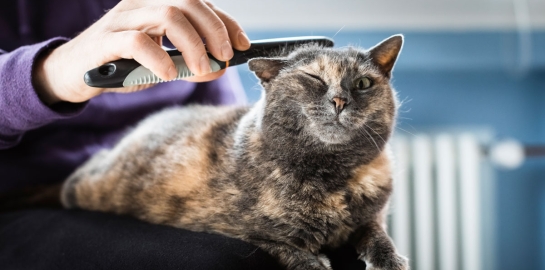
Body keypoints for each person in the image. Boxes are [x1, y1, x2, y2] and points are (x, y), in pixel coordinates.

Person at [0, 1, 366, 269]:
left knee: (343, 252)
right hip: (26, 200)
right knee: (238, 262)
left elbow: (218, 120)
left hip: (157, 187)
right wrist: (52, 72)